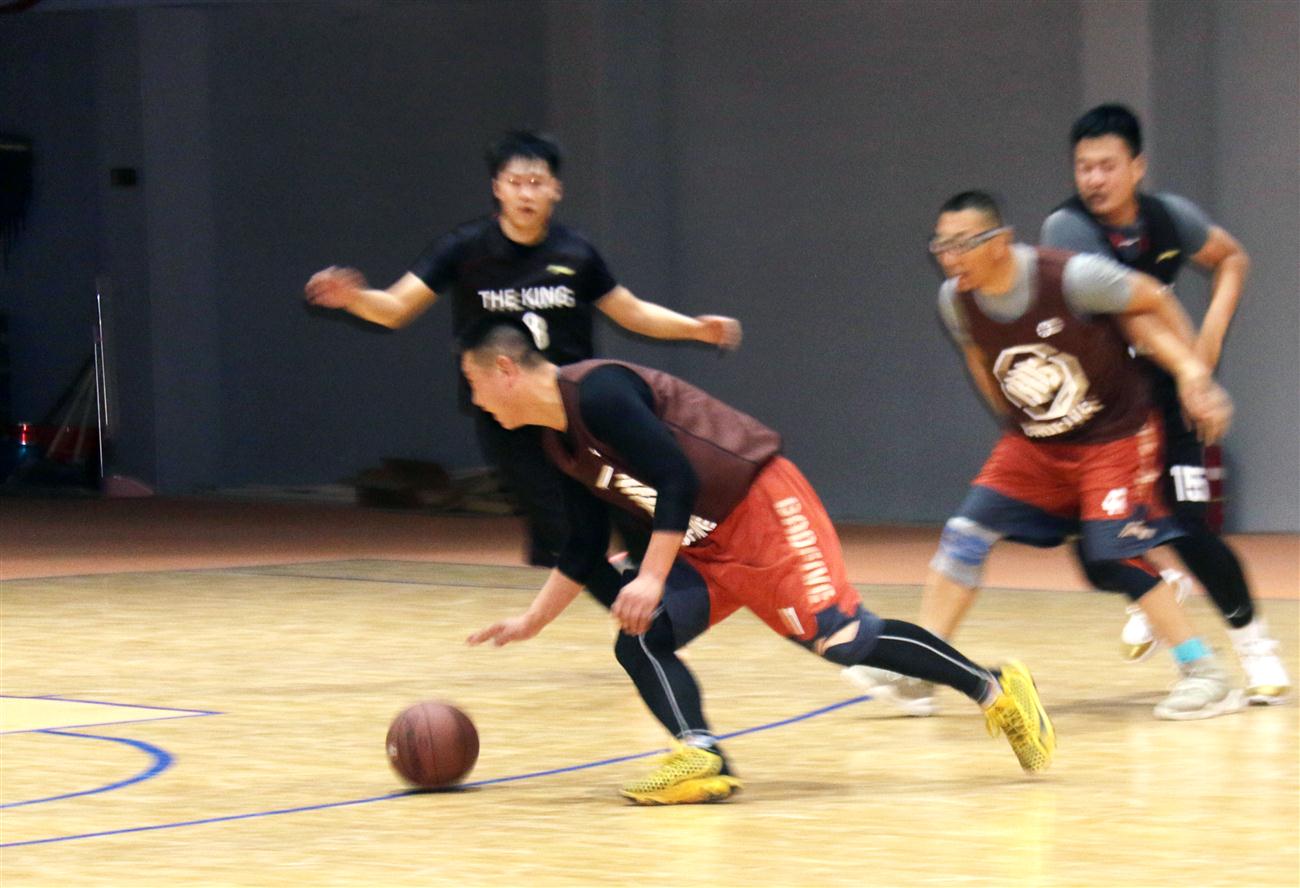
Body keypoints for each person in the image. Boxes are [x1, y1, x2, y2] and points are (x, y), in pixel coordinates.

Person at [460, 317, 1055, 806]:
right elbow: (584, 545)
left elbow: (676, 476)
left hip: (761, 505)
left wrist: (652, 575)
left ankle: (995, 687)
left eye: (474, 383)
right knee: (640, 639)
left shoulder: (600, 392)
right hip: (704, 544)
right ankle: (701, 755)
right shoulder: (558, 443)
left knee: (841, 637)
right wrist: (532, 621)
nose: (475, 401)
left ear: (505, 370)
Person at [846, 190, 1240, 721]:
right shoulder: (955, 300)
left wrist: (1193, 374)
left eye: (962, 244)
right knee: (964, 535)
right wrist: (1019, 424)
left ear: (1000, 241)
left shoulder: (1071, 278)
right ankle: (923, 672)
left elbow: (1152, 298)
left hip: (1114, 435)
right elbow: (979, 358)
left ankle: (1205, 673)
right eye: (941, 246)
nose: (949, 257)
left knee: (1114, 553)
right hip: (1037, 443)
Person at [305, 131, 741, 568]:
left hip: (574, 408)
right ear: (497, 188)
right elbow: (395, 308)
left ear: (556, 189)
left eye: (536, 183)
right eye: (514, 183)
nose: (525, 194)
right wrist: (354, 299)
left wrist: (696, 329)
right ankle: (589, 581)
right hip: (506, 411)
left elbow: (631, 312)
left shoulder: (575, 252)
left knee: (622, 504)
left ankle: (662, 581)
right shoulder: (464, 248)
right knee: (558, 522)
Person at [1040, 103, 1288, 704]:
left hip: (1167, 395)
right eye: (1083, 167)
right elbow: (1132, 315)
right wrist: (1194, 372)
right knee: (1096, 552)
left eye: (1106, 166)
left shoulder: (1170, 218)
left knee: (1190, 526)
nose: (1094, 179)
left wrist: (1207, 345)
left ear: (1137, 167)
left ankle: (1256, 649)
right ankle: (1156, 586)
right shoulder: (1068, 230)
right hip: (1102, 408)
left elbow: (1231, 258)